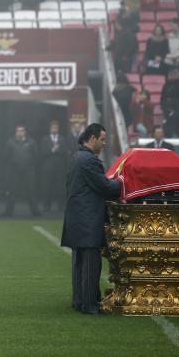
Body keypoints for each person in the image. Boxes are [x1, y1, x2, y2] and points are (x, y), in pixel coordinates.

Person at [61, 123, 121, 315]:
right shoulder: (89, 161)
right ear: (92, 138)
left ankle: (80, 301)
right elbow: (106, 188)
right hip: (87, 220)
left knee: (80, 262)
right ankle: (90, 305)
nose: (104, 144)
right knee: (91, 263)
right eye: (102, 140)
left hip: (77, 218)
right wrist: (121, 181)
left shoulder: (76, 157)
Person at [4, 125, 40, 217]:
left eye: (22, 131)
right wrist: (12, 166)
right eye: (18, 131)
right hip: (15, 171)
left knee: (31, 191)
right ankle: (8, 212)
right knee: (12, 192)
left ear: (25, 132)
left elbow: (36, 156)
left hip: (28, 171)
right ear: (15, 132)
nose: (20, 132)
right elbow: (6, 157)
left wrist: (30, 165)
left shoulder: (31, 141)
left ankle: (35, 212)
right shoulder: (10, 142)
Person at [40, 121, 70, 212]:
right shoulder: (45, 139)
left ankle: (60, 206)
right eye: (53, 128)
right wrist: (52, 150)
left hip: (60, 167)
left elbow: (65, 152)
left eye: (56, 128)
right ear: (50, 129)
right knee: (47, 187)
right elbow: (42, 152)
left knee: (60, 187)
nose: (54, 129)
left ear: (58, 129)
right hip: (48, 167)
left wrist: (58, 149)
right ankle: (46, 206)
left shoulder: (62, 139)